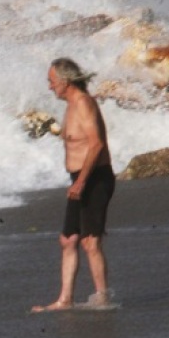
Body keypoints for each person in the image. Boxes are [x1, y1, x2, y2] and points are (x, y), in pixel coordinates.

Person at [31, 58, 116, 312]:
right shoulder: (70, 105)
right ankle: (65, 299)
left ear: (64, 81)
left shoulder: (82, 103)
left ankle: (102, 297)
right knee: (68, 240)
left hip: (94, 178)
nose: (50, 87)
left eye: (51, 81)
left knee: (90, 242)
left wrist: (81, 182)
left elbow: (96, 144)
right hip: (78, 179)